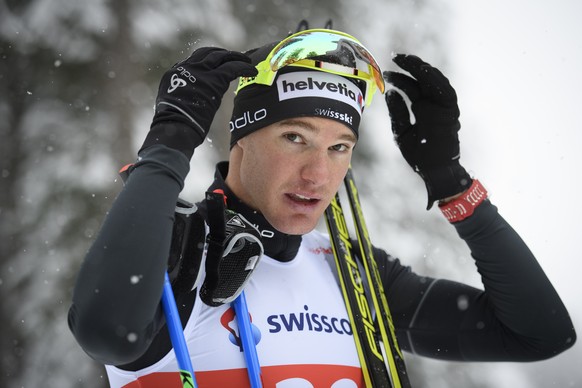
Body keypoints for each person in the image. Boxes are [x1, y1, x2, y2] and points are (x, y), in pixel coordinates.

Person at [68, 24, 576, 387]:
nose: (318, 174)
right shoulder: (179, 250)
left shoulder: (352, 274)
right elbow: (107, 332)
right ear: (240, 140)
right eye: (295, 137)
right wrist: (169, 146)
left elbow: (539, 334)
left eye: (340, 148)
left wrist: (450, 183)